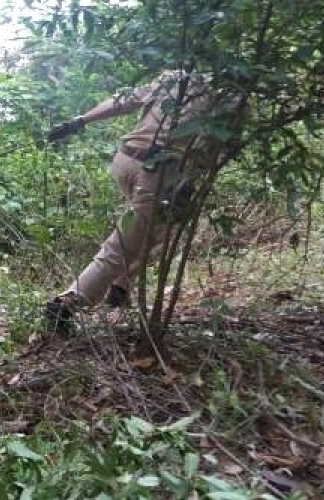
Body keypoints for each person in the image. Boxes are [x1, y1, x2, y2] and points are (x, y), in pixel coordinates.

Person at [42, 70, 221, 334]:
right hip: (157, 171)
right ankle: (65, 305)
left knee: (155, 232)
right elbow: (216, 145)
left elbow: (124, 100)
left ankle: (119, 290)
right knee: (124, 245)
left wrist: (80, 120)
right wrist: (192, 178)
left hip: (126, 161)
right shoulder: (224, 95)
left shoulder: (174, 77)